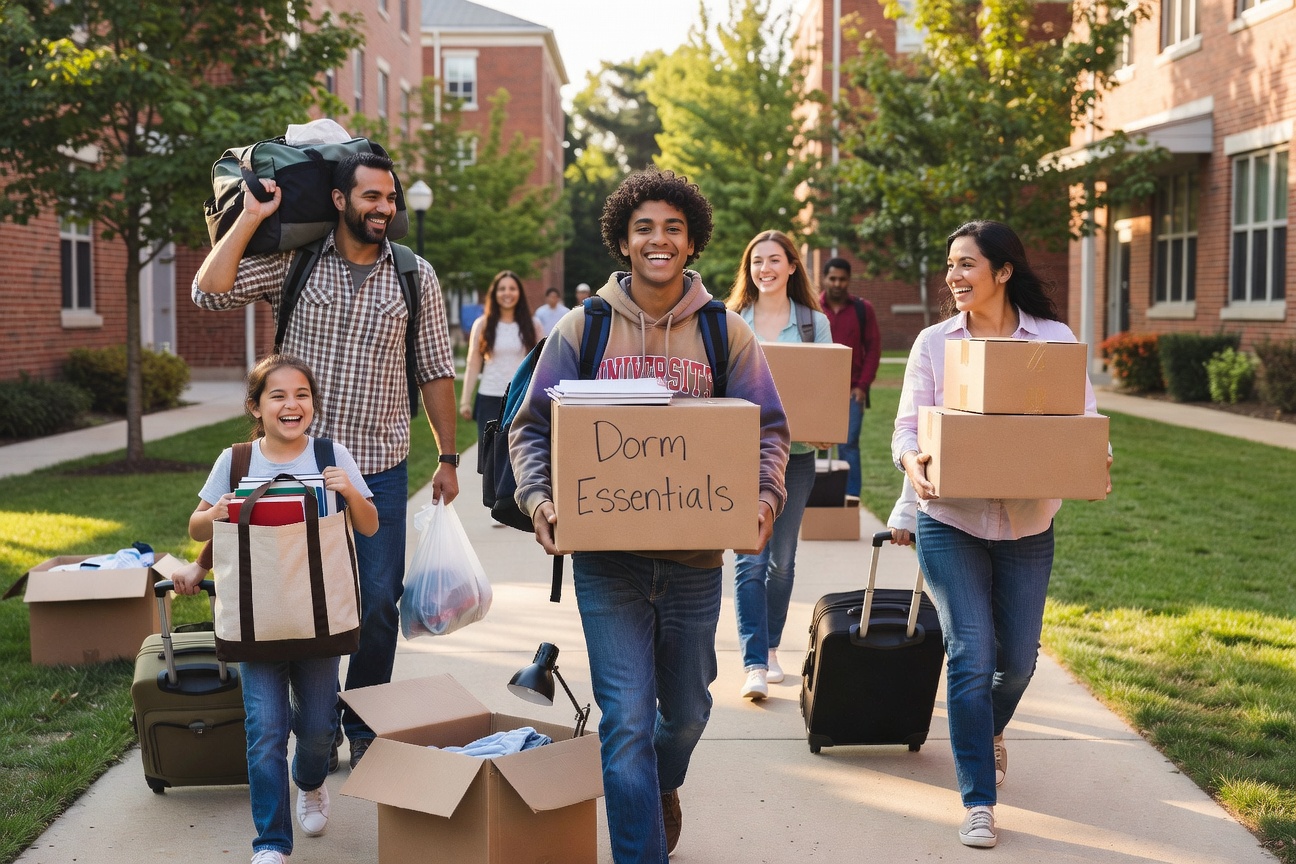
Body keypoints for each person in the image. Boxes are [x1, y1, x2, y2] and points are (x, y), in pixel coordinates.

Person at [509, 169, 790, 863]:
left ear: (692, 242)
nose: (658, 239)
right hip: (607, 564)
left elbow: (769, 429)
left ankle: (660, 784)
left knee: (687, 713)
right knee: (627, 721)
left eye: (672, 227)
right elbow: (532, 426)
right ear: (623, 240)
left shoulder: (726, 333)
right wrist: (539, 498)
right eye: (644, 228)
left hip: (695, 564)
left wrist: (764, 497)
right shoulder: (584, 327)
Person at [191, 151, 460, 772]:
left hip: (378, 465)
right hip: (297, 468)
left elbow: (435, 370)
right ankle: (315, 719)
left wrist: (448, 456)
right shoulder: (296, 262)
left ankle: (360, 723)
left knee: (378, 602)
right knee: (297, 599)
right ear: (340, 200)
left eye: (390, 198)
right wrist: (250, 218)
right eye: (371, 197)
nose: (384, 208)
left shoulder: (415, 275)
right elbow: (208, 293)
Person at [890, 220, 1112, 849]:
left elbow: (1083, 417)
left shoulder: (1052, 340)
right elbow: (907, 428)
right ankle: (978, 800)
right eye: (951, 265)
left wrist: (1095, 457)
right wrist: (912, 462)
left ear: (1004, 271)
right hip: (950, 520)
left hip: (1027, 522)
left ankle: (986, 727)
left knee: (1016, 663)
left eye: (967, 264)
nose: (954, 277)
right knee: (971, 655)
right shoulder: (935, 343)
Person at [176, 354, 379, 864]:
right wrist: (215, 512)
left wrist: (349, 492)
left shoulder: (331, 455)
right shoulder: (236, 461)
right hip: (256, 617)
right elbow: (198, 527)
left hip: (319, 615)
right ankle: (270, 842)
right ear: (256, 407)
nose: (292, 404)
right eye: (278, 395)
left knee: (317, 728)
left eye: (302, 395)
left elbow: (370, 524)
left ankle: (310, 782)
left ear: (313, 403)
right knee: (265, 732)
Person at [725, 230, 833, 701]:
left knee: (782, 562)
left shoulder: (813, 324)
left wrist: (825, 426)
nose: (764, 269)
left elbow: (826, 390)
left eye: (774, 260)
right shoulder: (731, 321)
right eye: (756, 261)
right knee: (750, 556)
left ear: (792, 266)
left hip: (798, 458)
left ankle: (770, 648)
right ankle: (753, 662)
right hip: (741, 456)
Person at [819, 257, 880, 505]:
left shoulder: (863, 310)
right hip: (818, 393)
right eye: (832, 278)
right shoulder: (812, 308)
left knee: (849, 446)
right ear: (824, 279)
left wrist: (862, 386)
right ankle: (815, 501)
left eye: (842, 279)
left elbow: (873, 349)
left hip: (851, 392)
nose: (837, 284)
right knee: (814, 447)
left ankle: (850, 500)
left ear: (849, 280)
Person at [459, 270, 541, 454]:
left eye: (512, 288)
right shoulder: (482, 324)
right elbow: (473, 363)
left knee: (517, 456)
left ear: (519, 293)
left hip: (519, 399)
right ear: (494, 293)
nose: (507, 293)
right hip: (489, 397)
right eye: (502, 289)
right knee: (489, 458)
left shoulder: (533, 324)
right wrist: (465, 400)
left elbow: (542, 364)